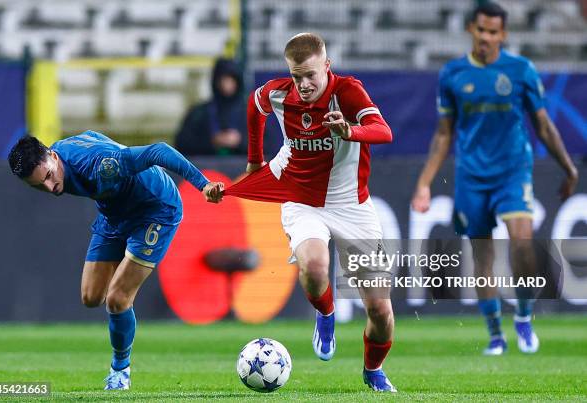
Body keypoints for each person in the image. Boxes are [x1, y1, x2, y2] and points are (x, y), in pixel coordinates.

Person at [411, 2, 578, 355]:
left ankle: (524, 314)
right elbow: (444, 134)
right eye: (481, 29)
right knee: (482, 255)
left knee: (521, 241)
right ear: (471, 29)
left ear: (503, 34)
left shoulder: (520, 70)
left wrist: (569, 167)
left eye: (493, 31)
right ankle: (495, 335)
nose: (486, 37)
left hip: (513, 169)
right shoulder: (453, 74)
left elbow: (544, 125)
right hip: (472, 176)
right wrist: (425, 182)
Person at [234, 32, 396, 392]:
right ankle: (326, 314)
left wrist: (349, 130)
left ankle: (373, 370)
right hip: (303, 200)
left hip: (352, 206)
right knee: (315, 266)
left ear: (327, 66)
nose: (304, 85)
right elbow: (255, 104)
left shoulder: (348, 91)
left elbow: (383, 132)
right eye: (296, 77)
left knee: (381, 313)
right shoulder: (277, 94)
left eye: (311, 75)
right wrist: (254, 160)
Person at [7, 131, 223, 390]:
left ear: (53, 156)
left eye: (49, 177)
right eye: (38, 186)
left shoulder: (101, 164)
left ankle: (120, 370)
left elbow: (159, 151)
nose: (50, 188)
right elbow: (92, 134)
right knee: (91, 297)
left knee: (118, 298)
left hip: (155, 210)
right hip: (114, 216)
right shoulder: (54, 159)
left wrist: (203, 184)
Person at [174, 58, 248, 156]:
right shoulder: (199, 113)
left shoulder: (252, 113)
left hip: (244, 169)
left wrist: (240, 141)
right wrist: (211, 141)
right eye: (223, 79)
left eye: (231, 79)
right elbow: (181, 143)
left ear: (238, 82)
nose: (226, 84)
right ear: (215, 81)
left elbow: (268, 146)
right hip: (206, 169)